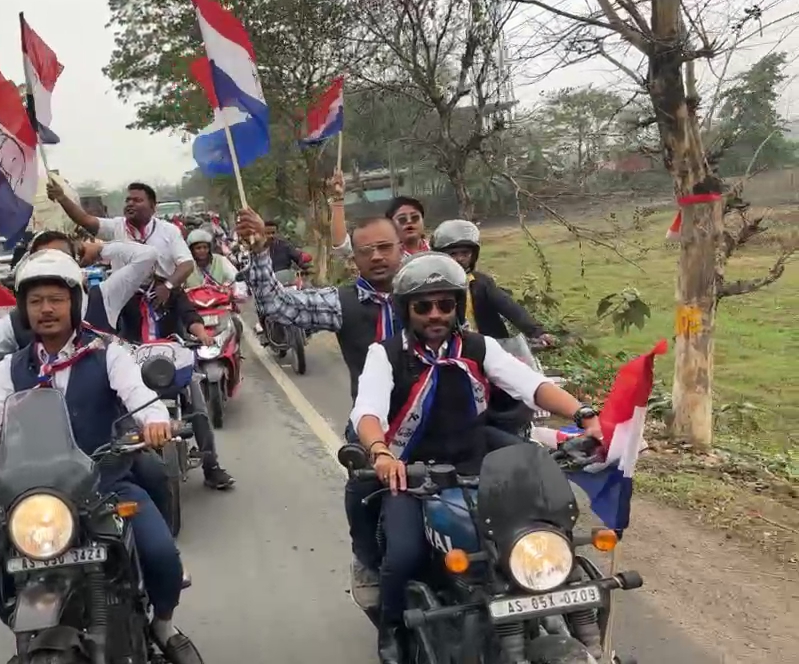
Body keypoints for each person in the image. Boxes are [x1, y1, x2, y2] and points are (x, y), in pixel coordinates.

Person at [0, 251, 205, 664]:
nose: (46, 309)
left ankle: (163, 625)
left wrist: (155, 422)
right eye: (36, 300)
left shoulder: (107, 353)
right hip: (37, 497)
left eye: (56, 299)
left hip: (105, 487)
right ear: (24, 310)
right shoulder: (11, 367)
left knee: (162, 555)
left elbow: (139, 395)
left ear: (74, 304)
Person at [349, 253, 603, 663]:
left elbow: (531, 385)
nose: (435, 313)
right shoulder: (387, 354)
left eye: (445, 304)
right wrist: (381, 452)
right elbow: (368, 410)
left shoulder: (478, 347)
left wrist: (585, 415)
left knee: (546, 532)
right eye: (423, 306)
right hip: (412, 473)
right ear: (406, 310)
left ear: (457, 306)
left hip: (480, 465)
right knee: (404, 554)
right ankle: (392, 631)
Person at [236, 190, 403, 609]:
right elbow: (277, 306)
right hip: (374, 423)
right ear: (354, 259)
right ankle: (366, 560)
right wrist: (259, 252)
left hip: (438, 413)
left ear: (402, 248)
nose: (377, 257)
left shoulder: (430, 291)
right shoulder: (340, 301)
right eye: (366, 251)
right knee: (362, 487)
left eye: (385, 247)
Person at [0, 230, 158, 374]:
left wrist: (100, 250)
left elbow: (147, 256)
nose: (52, 267)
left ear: (76, 263)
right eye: (43, 260)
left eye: (60, 259)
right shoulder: (17, 323)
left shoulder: (104, 297)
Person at [115, 261, 235, 490]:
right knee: (117, 412)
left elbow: (190, 316)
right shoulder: (122, 293)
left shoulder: (172, 291)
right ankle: (120, 473)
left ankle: (211, 467)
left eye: (148, 266)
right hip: (133, 362)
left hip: (173, 361)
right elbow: (110, 325)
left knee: (198, 409)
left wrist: (202, 334)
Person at [47, 180, 195, 305]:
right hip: (126, 302)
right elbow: (84, 220)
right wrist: (62, 198)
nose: (130, 204)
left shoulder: (169, 230)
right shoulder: (116, 227)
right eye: (128, 200)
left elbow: (187, 264)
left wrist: (167, 286)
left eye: (137, 200)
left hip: (162, 298)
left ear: (153, 207)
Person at [431, 219, 554, 347]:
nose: (460, 258)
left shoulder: (481, 282)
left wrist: (536, 332)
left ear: (474, 255)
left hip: (489, 347)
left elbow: (508, 306)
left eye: (465, 253)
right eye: (453, 254)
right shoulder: (433, 286)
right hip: (451, 350)